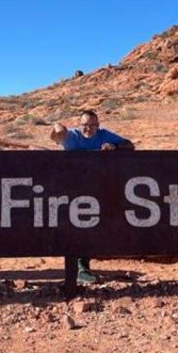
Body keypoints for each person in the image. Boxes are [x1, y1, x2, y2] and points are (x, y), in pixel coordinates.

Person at [50, 109, 134, 284]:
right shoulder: (71, 135)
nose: (89, 129)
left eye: (93, 125)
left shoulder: (104, 135)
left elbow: (130, 145)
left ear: (98, 125)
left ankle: (82, 269)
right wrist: (57, 127)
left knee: (86, 226)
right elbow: (56, 136)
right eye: (85, 125)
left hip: (93, 189)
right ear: (79, 124)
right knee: (72, 227)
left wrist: (115, 147)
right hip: (69, 188)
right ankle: (76, 270)